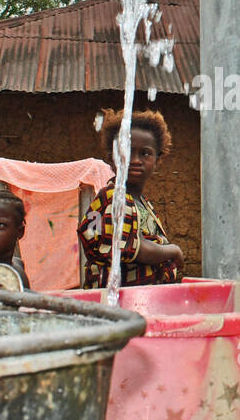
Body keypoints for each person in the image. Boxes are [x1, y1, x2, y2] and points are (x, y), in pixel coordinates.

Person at [77, 109, 183, 288]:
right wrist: (172, 251)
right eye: (126, 151)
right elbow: (130, 246)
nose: (135, 160)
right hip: (118, 302)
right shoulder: (113, 197)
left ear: (158, 160)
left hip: (141, 300)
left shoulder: (143, 203)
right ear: (112, 157)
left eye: (145, 153)